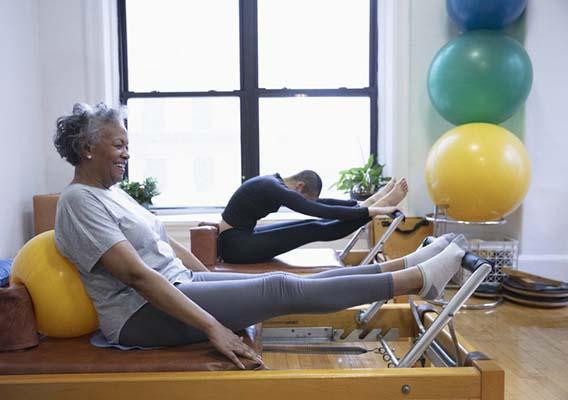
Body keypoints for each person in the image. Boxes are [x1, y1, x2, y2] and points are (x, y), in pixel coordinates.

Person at [53, 103, 467, 369]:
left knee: (293, 282)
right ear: (88, 148)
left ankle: (405, 265)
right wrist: (215, 326)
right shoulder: (78, 201)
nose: (128, 153)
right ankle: (421, 281)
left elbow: (165, 243)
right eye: (119, 145)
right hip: (137, 315)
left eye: (128, 145)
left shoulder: (114, 194)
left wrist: (207, 275)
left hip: (176, 284)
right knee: (280, 288)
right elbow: (137, 276)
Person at [218, 171, 408, 263]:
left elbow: (320, 203)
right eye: (305, 197)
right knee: (314, 228)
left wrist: (356, 205)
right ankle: (375, 206)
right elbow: (321, 210)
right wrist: (370, 212)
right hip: (236, 247)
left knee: (311, 224)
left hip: (236, 239)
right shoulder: (275, 188)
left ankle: (371, 203)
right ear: (300, 186)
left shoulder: (273, 183)